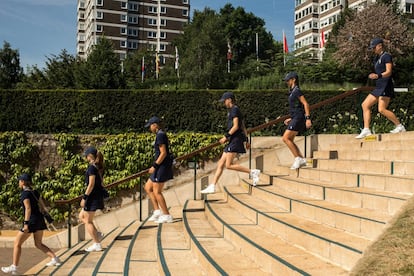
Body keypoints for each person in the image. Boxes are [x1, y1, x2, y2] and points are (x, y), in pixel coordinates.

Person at [201, 92, 260, 194]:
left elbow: (236, 126)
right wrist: (247, 139)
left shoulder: (234, 110)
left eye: (224, 100)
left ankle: (253, 172)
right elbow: (243, 126)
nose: (224, 103)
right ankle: (212, 186)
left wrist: (226, 136)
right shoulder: (233, 110)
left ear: (229, 99)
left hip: (235, 140)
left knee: (228, 165)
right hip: (233, 140)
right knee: (220, 163)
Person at [1, 174, 61, 275]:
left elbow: (28, 209)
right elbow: (42, 206)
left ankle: (14, 267)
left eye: (19, 181)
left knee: (17, 243)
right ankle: (54, 258)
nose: (18, 182)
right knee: (38, 243)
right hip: (39, 220)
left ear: (23, 182)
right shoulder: (35, 192)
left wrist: (26, 224)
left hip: (31, 221)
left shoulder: (25, 194)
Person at [355, 38, 406, 139]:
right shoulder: (376, 58)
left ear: (379, 46)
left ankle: (400, 126)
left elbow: (388, 72)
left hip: (386, 85)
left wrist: (377, 76)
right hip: (379, 86)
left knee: (381, 109)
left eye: (374, 48)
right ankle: (366, 130)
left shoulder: (386, 56)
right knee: (365, 105)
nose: (373, 50)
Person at [144, 116, 174, 224]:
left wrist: (154, 166)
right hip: (159, 166)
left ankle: (167, 215)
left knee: (157, 191)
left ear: (155, 125)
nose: (149, 129)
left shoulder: (160, 135)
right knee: (148, 187)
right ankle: (157, 211)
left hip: (161, 167)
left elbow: (163, 153)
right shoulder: (159, 134)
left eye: (150, 126)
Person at [282, 72, 312, 170]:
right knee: (289, 139)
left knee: (285, 138)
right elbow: (297, 107)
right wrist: (291, 118)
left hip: (299, 118)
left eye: (288, 80)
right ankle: (301, 159)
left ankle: (298, 158)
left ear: (293, 79)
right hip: (296, 117)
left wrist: (308, 118)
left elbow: (305, 104)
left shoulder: (297, 91)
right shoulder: (292, 92)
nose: (287, 82)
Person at [79, 146, 105, 252]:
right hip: (94, 196)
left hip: (92, 197)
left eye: (86, 156)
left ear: (89, 156)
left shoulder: (92, 168)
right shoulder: (96, 167)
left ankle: (96, 243)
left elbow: (91, 184)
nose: (85, 158)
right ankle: (97, 234)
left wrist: (84, 198)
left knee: (88, 221)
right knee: (81, 216)